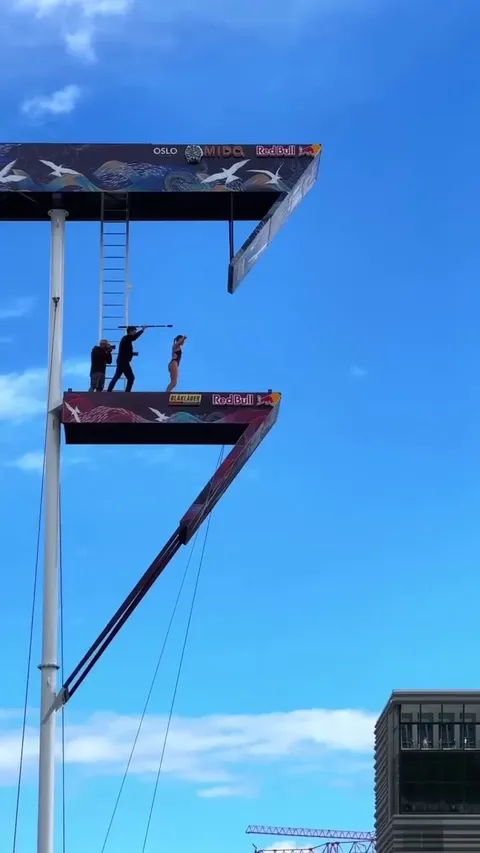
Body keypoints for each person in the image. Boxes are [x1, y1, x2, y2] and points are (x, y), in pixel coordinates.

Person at [107, 326, 146, 392]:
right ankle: (127, 392)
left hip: (122, 361)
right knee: (131, 378)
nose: (135, 332)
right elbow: (134, 338)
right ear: (131, 331)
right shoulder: (126, 338)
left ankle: (109, 391)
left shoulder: (126, 340)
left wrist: (132, 353)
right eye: (134, 331)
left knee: (116, 377)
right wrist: (142, 330)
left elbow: (126, 351)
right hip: (123, 362)